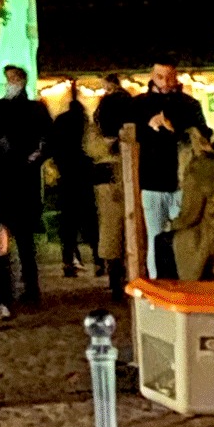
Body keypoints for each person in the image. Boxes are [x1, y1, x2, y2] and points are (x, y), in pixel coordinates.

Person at [132, 65, 209, 277]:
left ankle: (182, 280)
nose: (165, 82)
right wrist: (149, 126)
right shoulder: (140, 105)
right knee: (155, 237)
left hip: (182, 182)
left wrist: (173, 128)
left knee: (182, 237)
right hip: (152, 181)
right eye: (160, 77)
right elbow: (129, 137)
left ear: (175, 78)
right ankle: (158, 283)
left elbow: (203, 135)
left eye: (169, 77)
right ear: (152, 76)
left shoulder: (188, 104)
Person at [0, 65, 51, 308]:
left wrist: (34, 158)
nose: (9, 83)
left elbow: (47, 141)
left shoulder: (35, 109)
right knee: (3, 237)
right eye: (8, 79)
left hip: (23, 180)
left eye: (13, 79)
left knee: (25, 240)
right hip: (5, 180)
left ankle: (31, 287)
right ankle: (6, 290)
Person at [85, 77, 132, 293]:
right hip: (127, 173)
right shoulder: (130, 113)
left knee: (110, 227)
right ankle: (129, 273)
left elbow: (90, 148)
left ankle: (114, 277)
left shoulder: (99, 124)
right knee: (129, 226)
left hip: (105, 177)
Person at [48, 83, 97, 280]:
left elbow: (53, 146)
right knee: (90, 221)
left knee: (68, 223)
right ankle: (98, 258)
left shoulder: (60, 123)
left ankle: (68, 260)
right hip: (84, 177)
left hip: (67, 176)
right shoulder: (85, 126)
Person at [168, 127, 214, 283]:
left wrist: (174, 225)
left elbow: (190, 214)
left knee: (173, 242)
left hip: (209, 237)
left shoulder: (199, 168)